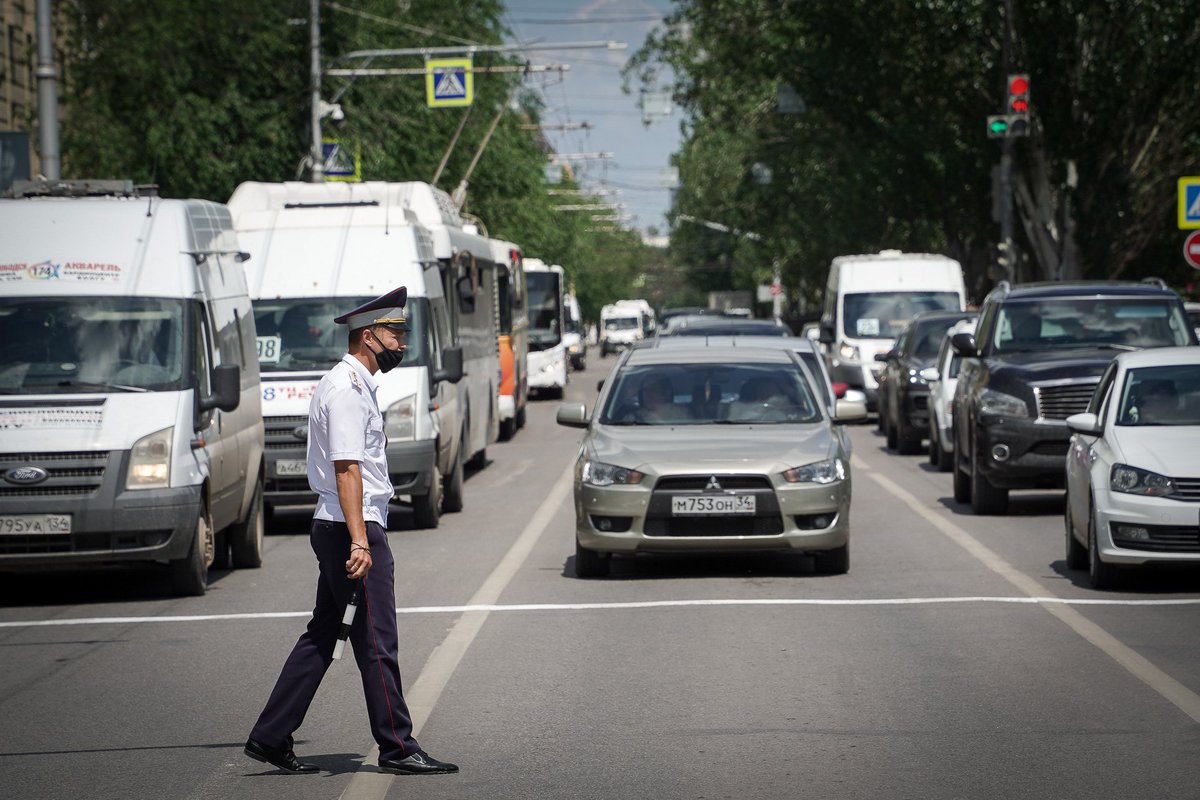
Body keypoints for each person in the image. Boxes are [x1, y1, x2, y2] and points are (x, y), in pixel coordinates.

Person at [244, 286, 458, 777]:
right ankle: (398, 746)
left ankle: (271, 735)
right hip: (349, 529)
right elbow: (347, 469)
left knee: (326, 632)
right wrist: (362, 540)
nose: (401, 344)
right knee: (376, 639)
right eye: (394, 334)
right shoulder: (346, 389)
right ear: (368, 336)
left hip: (341, 525)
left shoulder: (355, 384)